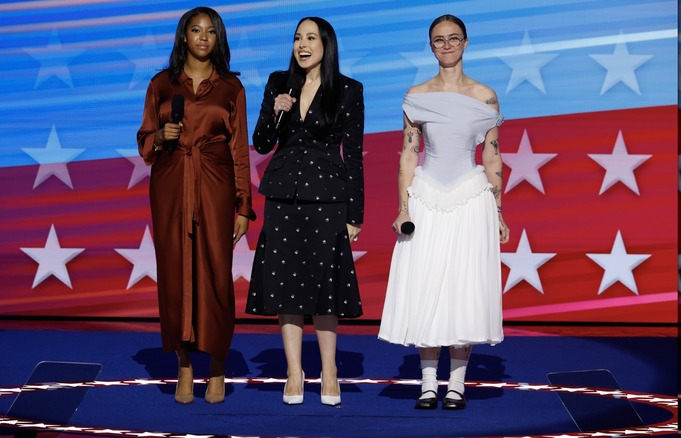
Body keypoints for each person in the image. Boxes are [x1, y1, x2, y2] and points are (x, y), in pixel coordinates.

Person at [377, 14, 510, 411]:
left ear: (466, 43)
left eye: (454, 39)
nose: (447, 45)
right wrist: (402, 207)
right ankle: (428, 384)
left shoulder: (485, 95)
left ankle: (456, 385)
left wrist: (499, 211)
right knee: (426, 286)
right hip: (427, 196)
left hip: (471, 198)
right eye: (439, 40)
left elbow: (492, 155)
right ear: (431, 46)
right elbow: (408, 152)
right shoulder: (416, 95)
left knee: (464, 287)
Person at [136, 6, 255, 405]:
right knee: (174, 273)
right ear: (183, 36)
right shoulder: (161, 84)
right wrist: (160, 136)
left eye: (210, 31)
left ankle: (217, 366)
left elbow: (240, 151)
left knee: (216, 275)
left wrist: (243, 206)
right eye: (195, 30)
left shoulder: (231, 88)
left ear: (218, 39)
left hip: (216, 186)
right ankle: (184, 365)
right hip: (170, 185)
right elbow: (144, 143)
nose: (203, 37)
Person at [245, 16, 365, 407]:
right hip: (282, 197)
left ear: (326, 45)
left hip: (328, 199)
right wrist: (275, 112)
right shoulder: (279, 82)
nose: (302, 44)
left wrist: (355, 214)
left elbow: (355, 156)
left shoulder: (348, 89)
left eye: (311, 38)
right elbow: (262, 144)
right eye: (298, 37)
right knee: (286, 287)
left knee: (325, 288)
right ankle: (294, 372)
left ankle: (329, 372)